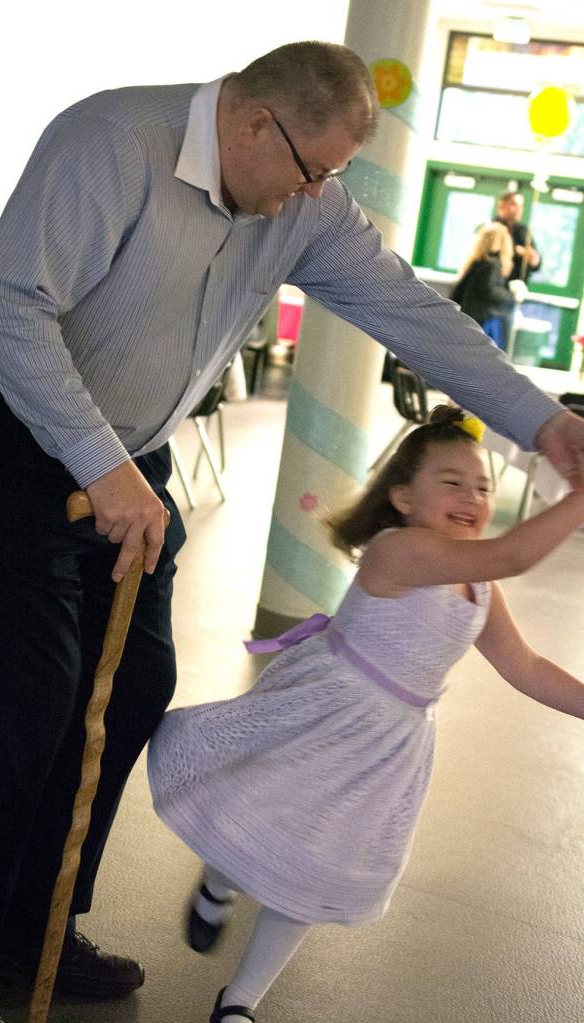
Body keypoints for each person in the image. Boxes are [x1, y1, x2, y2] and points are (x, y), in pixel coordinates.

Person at [0, 41, 584, 1023]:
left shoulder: (301, 204)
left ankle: (32, 927)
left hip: (124, 453)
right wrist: (100, 464)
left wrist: (544, 422)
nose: (317, 196)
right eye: (314, 171)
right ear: (257, 122)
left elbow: (411, 313)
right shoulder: (113, 140)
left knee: (135, 683)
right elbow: (2, 305)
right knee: (24, 702)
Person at [148, 406, 584, 1023]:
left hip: (389, 745)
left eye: (483, 487)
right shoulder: (401, 551)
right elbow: (512, 554)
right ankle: (220, 882)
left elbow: (527, 666)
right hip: (329, 713)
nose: (472, 497)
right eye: (452, 482)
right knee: (265, 816)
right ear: (403, 497)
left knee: (318, 862)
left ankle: (240, 1002)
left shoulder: (480, 587)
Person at [450, 222, 515, 349]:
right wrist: (510, 295)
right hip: (484, 319)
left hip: (469, 317)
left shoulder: (476, 262)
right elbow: (489, 290)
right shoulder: (493, 265)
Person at [494, 191, 542, 283]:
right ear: (502, 206)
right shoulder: (490, 229)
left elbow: (536, 262)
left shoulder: (523, 230)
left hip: (517, 286)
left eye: (521, 206)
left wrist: (534, 259)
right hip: (496, 283)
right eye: (514, 205)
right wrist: (519, 252)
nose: (519, 209)